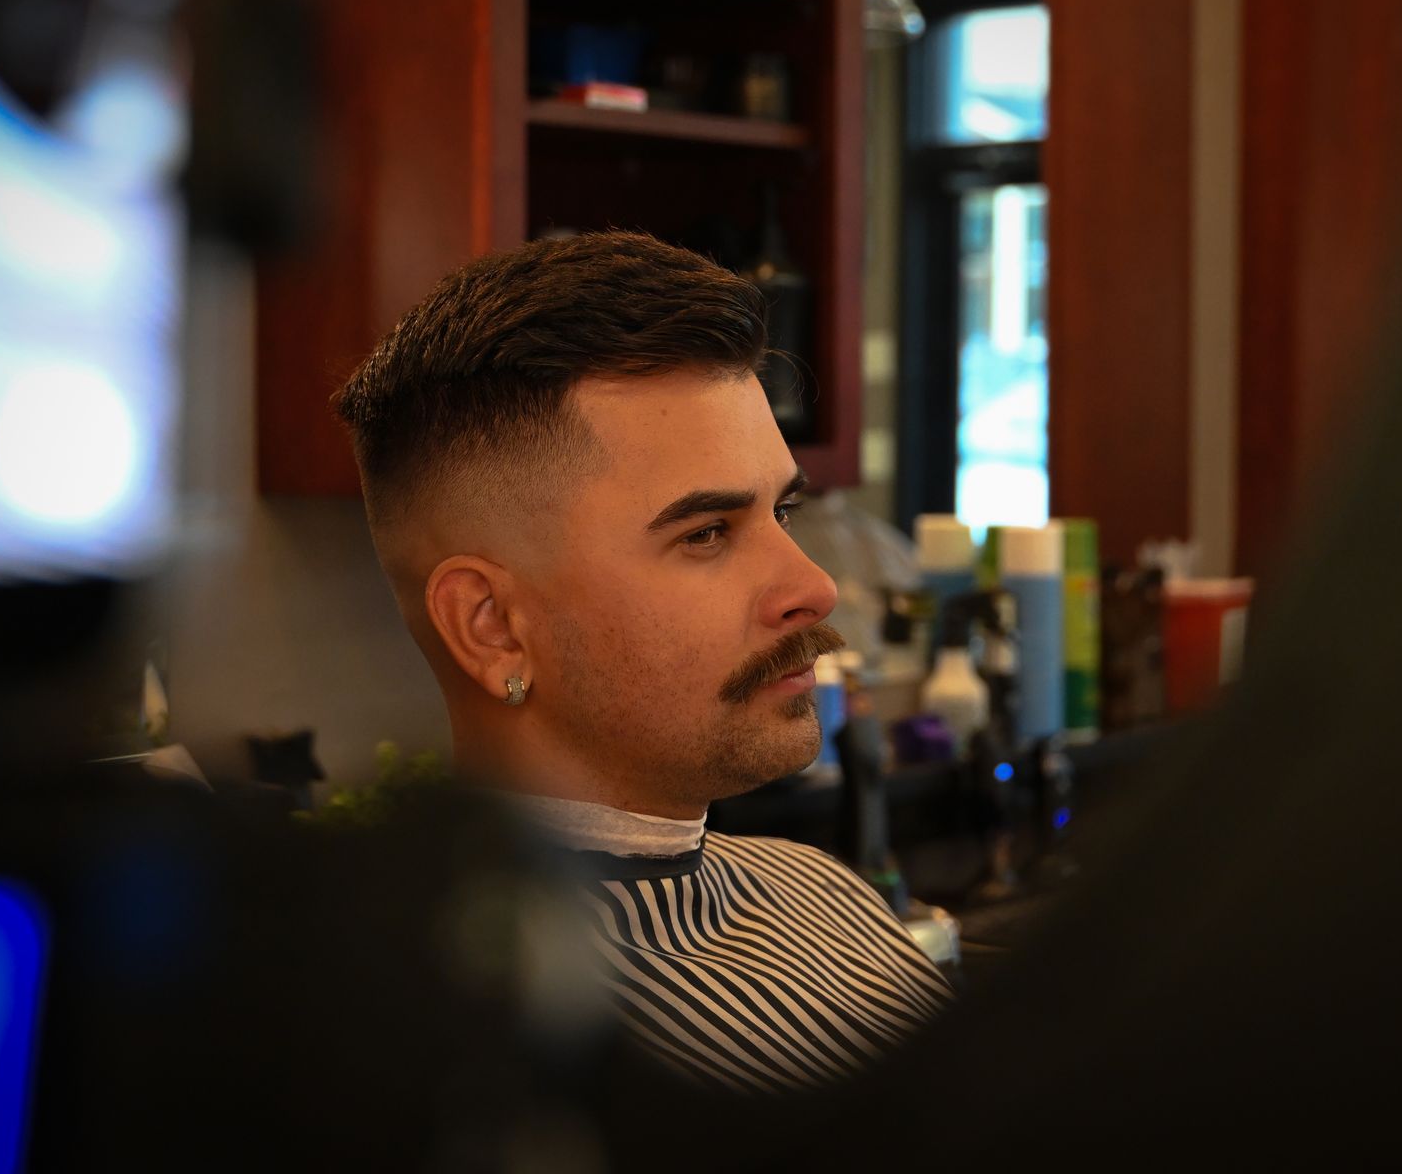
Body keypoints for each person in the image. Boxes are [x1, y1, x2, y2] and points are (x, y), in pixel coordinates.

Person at [332, 231, 952, 1092]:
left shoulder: (825, 895)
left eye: (785, 511)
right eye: (706, 533)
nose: (812, 588)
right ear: (492, 627)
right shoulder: (464, 1046)